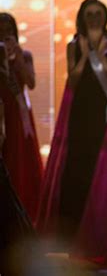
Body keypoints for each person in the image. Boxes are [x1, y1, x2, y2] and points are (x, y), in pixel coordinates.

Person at [37, 0, 107, 267]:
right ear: (83, 17)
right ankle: (73, 238)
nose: (93, 17)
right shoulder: (73, 45)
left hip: (105, 116)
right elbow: (73, 78)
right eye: (89, 14)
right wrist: (85, 52)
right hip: (81, 115)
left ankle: (100, 235)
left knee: (100, 171)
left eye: (98, 13)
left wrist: (97, 51)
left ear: (104, 17)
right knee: (77, 170)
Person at [0, 12, 43, 220]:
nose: (6, 37)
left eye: (9, 32)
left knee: (23, 159)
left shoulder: (24, 56)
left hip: (20, 116)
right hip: (2, 113)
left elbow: (31, 83)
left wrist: (16, 57)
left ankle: (27, 212)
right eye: (1, 32)